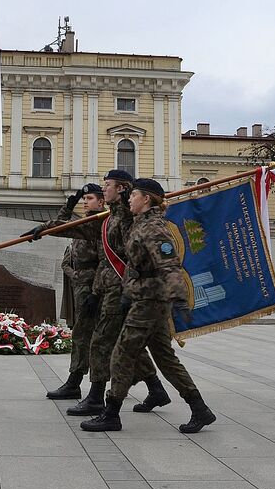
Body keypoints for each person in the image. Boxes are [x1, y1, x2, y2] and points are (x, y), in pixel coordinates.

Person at [80, 178, 216, 433]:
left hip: (150, 302)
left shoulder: (153, 228)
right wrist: (126, 295)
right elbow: (135, 265)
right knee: (165, 358)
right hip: (143, 298)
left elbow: (169, 264)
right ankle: (200, 409)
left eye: (134, 195)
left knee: (121, 354)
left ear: (146, 199)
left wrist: (179, 299)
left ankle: (111, 414)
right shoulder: (140, 224)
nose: (130, 198)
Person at [25, 171, 166, 416]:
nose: (104, 189)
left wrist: (122, 293)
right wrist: (44, 229)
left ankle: (97, 398)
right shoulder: (108, 218)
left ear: (120, 189)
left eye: (107, 186)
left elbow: (130, 257)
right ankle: (154, 389)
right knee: (114, 343)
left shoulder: (124, 217)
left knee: (103, 343)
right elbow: (76, 229)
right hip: (104, 287)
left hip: (118, 288)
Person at [38, 184, 105, 400]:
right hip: (82, 286)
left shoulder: (99, 223)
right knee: (85, 335)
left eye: (90, 198)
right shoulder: (87, 221)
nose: (86, 202)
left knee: (87, 337)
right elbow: (63, 227)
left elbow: (105, 262)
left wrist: (95, 291)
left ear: (102, 202)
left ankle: (76, 383)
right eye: (84, 198)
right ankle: (154, 387)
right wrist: (68, 205)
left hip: (94, 288)